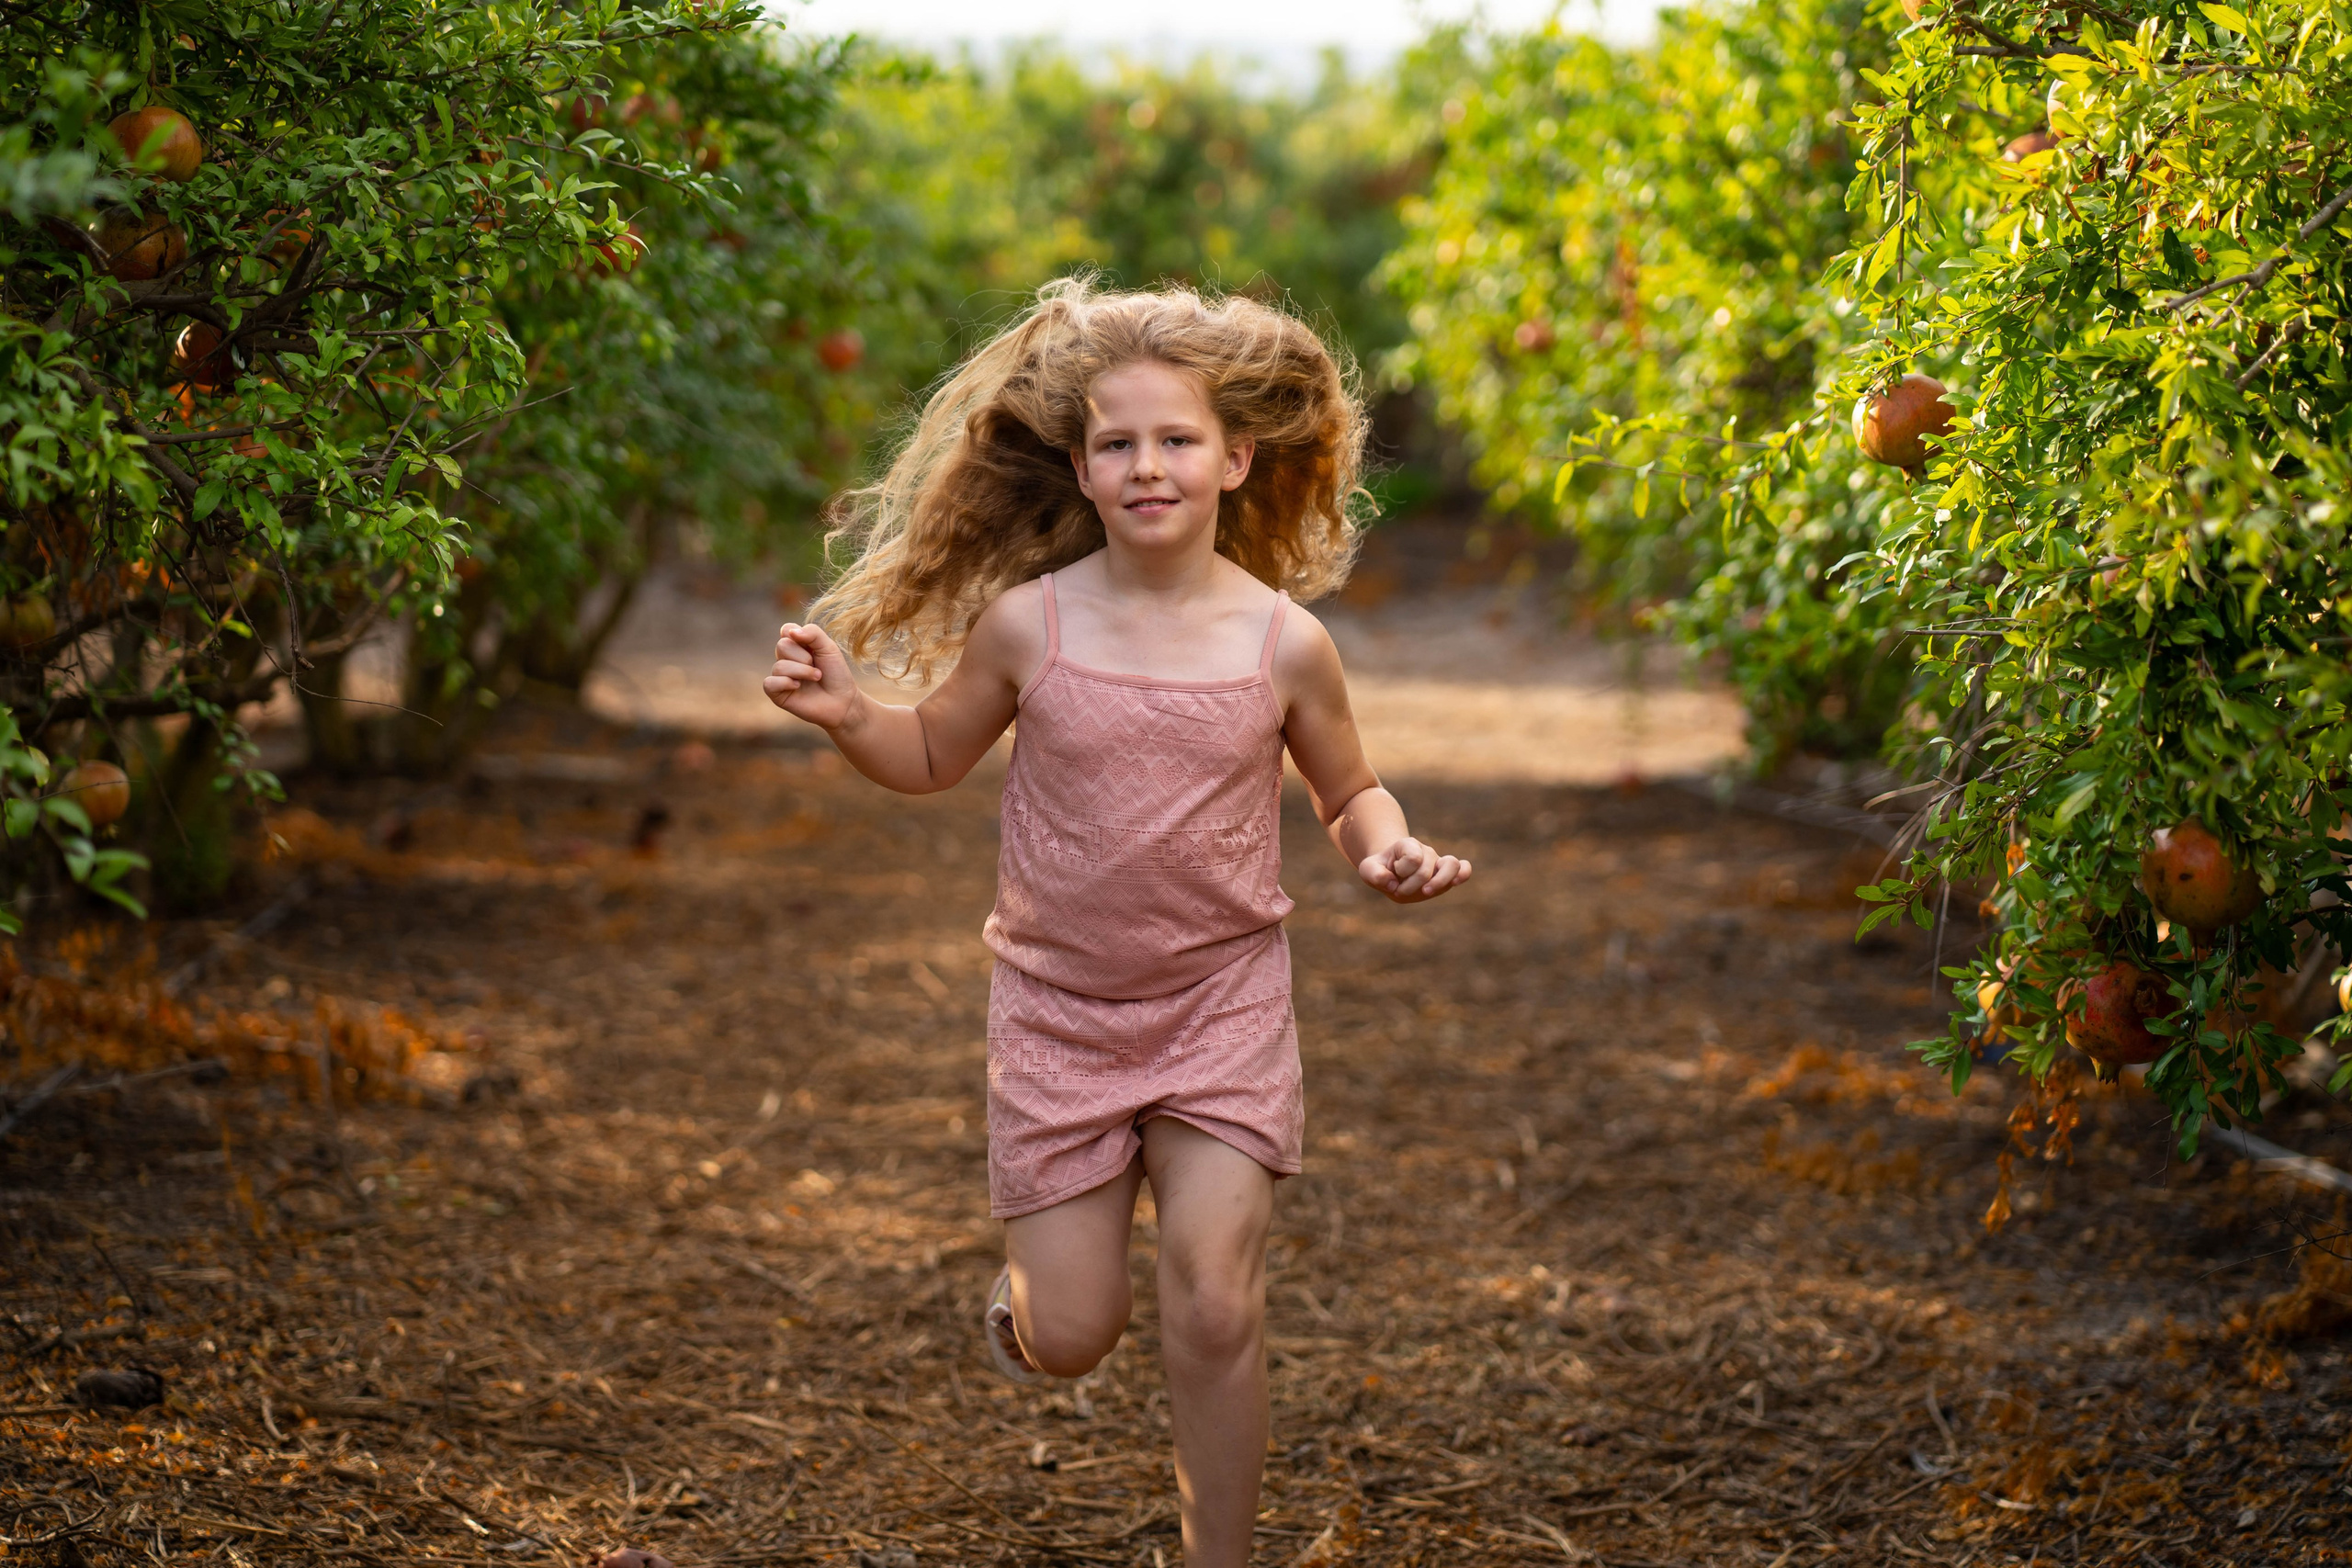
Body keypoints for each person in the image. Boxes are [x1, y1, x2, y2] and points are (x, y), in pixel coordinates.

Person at [762, 277, 1470, 1567]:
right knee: (1074, 1334)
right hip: (1058, 1015)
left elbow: (1348, 788)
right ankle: (1032, 1306)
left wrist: (1389, 849)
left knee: (1212, 1298)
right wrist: (850, 712)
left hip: (1220, 1006)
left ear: (1235, 460)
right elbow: (928, 755)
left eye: (1178, 440)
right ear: (1081, 471)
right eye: (1119, 443)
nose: (1150, 465)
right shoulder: (1032, 624)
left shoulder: (1284, 643)